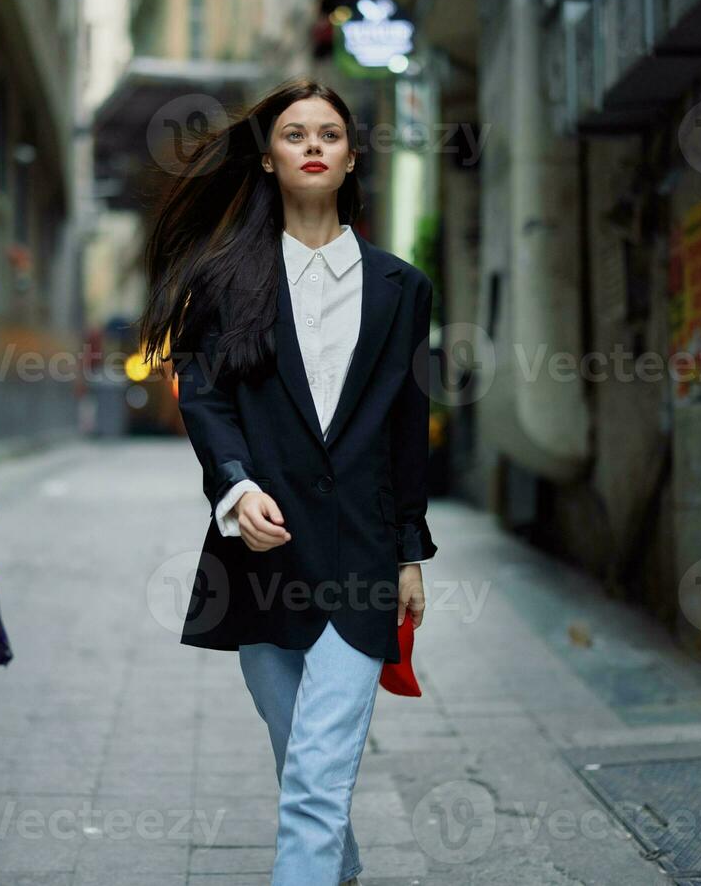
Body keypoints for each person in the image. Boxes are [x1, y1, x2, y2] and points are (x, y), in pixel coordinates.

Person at [140, 79, 436, 886]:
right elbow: (202, 398)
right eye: (295, 133)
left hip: (362, 558)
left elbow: (408, 425)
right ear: (269, 159)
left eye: (330, 134)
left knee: (311, 779)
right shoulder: (225, 282)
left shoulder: (404, 290)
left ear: (348, 159)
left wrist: (410, 551)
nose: (313, 144)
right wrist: (235, 488)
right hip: (260, 557)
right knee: (296, 755)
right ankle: (335, 868)